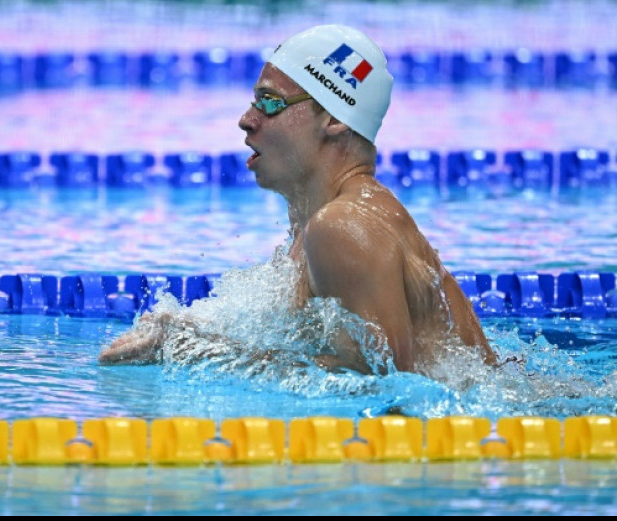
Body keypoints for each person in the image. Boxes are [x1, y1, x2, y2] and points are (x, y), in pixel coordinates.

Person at [99, 24, 497, 375]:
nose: (247, 118)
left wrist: (191, 351)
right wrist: (186, 331)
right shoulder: (321, 224)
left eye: (270, 102)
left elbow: (381, 387)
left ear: (334, 119)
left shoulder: (342, 227)